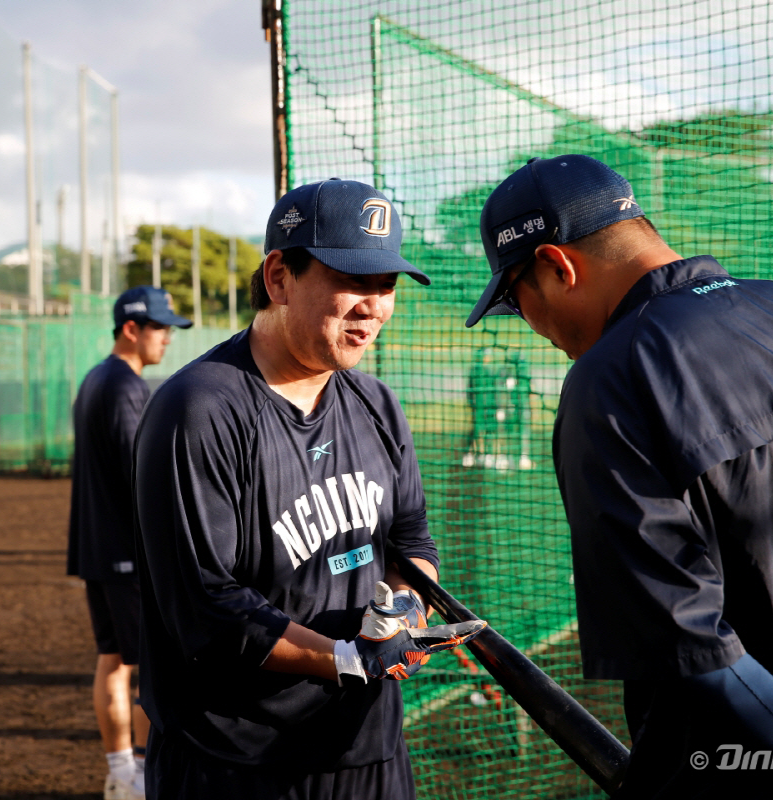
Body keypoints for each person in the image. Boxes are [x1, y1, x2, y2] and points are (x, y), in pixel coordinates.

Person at [465, 154, 773, 797]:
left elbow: (691, 653)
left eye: (513, 297)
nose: (528, 325)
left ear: (557, 267)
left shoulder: (607, 385)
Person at [132, 178, 484, 800]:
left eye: (387, 285)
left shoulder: (376, 404)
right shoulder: (199, 409)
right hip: (235, 762)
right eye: (354, 279)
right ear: (278, 278)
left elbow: (410, 540)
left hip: (365, 748)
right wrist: (347, 658)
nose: (374, 306)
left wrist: (400, 612)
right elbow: (207, 607)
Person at [67, 285, 192, 800]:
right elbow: (138, 474)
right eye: (159, 327)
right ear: (130, 329)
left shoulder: (97, 377)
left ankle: (122, 773)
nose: (166, 337)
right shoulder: (124, 386)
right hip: (126, 554)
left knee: (114, 659)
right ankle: (144, 775)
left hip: (97, 548)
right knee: (149, 667)